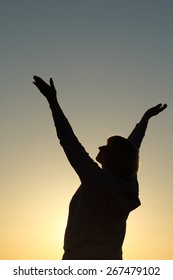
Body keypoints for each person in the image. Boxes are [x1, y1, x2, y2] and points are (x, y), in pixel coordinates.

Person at [33, 75, 167, 260]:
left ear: (115, 159)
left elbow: (70, 143)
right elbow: (132, 147)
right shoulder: (129, 186)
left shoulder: (96, 181)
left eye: (107, 147)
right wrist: (145, 120)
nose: (100, 147)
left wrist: (53, 102)